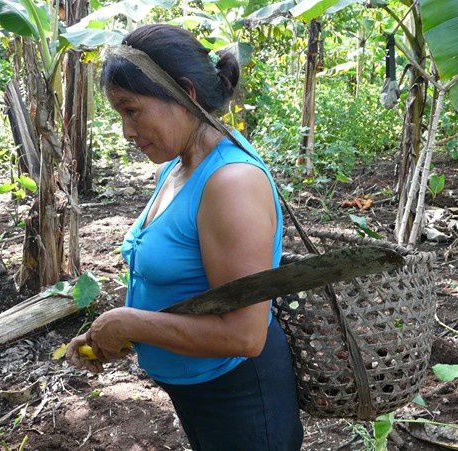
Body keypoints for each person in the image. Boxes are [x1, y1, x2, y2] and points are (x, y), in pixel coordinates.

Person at [64, 24, 304, 451]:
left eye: (132, 110)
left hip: (238, 397)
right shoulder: (176, 169)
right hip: (196, 391)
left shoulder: (230, 183)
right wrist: (112, 333)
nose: (126, 131)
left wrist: (129, 322)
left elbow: (245, 336)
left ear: (185, 94)